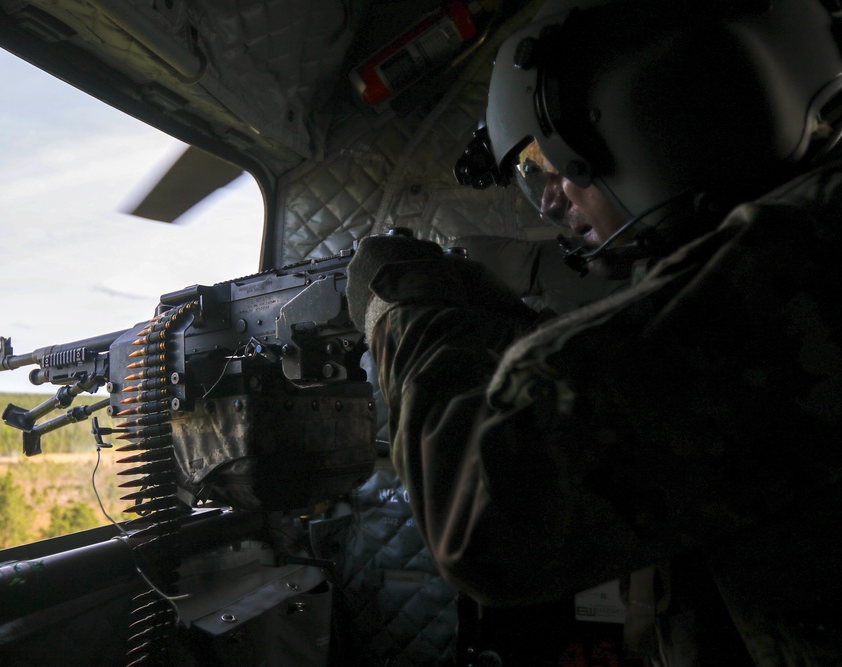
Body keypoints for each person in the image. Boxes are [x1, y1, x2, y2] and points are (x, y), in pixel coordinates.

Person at [346, 0, 842, 664]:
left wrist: (403, 302)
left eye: (543, 165)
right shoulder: (806, 227)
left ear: (648, 116)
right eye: (531, 178)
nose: (548, 200)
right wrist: (514, 328)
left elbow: (482, 516)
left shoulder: (788, 266)